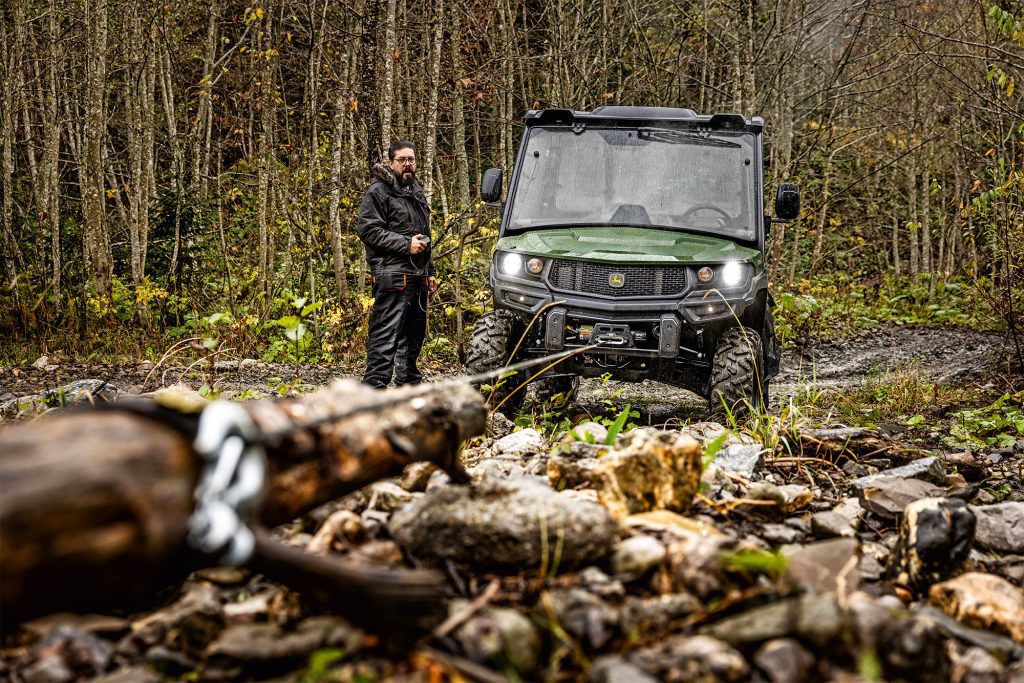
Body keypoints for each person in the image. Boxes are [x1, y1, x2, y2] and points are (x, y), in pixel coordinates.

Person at [356, 141, 438, 388]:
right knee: (385, 337)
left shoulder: (416, 190)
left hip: (418, 277)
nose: (407, 164)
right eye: (402, 160)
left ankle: (408, 389)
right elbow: (368, 230)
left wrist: (430, 271)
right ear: (391, 163)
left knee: (414, 338)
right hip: (392, 275)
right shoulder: (378, 192)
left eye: (411, 159)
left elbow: (424, 234)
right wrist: (404, 244)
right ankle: (374, 390)